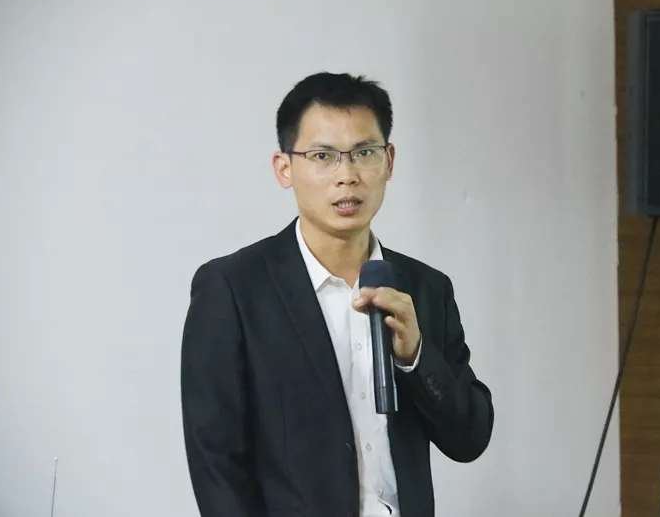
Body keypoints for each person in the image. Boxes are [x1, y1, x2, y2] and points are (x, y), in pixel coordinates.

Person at [180, 72, 494, 517]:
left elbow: (470, 439)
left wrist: (417, 356)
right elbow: (216, 465)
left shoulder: (425, 288)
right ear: (284, 168)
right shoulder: (233, 289)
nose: (347, 176)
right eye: (323, 156)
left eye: (364, 153)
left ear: (389, 161)